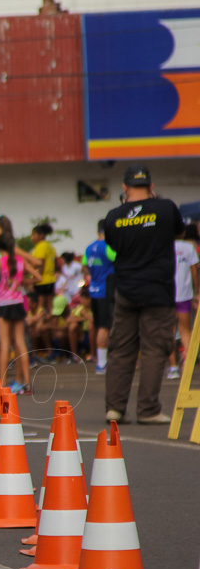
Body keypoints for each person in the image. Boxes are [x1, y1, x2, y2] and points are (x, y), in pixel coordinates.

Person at [103, 164, 184, 424]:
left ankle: (114, 409)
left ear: (124, 188)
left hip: (125, 290)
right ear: (151, 186)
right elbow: (179, 232)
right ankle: (148, 410)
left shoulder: (114, 216)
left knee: (120, 350)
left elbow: (113, 245)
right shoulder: (166, 208)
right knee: (154, 349)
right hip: (157, 290)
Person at [0, 216, 40, 393]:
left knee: (4, 345)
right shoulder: (20, 262)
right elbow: (38, 277)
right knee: (20, 343)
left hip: (3, 305)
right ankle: (26, 384)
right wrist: (22, 283)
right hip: (19, 303)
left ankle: (2, 384)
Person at [82, 221, 116, 374]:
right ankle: (102, 363)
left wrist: (92, 276)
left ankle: (101, 360)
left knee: (98, 326)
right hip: (106, 292)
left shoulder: (89, 248)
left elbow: (84, 266)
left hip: (94, 290)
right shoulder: (108, 248)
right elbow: (120, 260)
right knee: (105, 327)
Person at [169, 230, 200, 379]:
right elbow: (195, 272)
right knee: (185, 330)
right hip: (184, 295)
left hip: (167, 296)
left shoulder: (164, 247)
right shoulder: (189, 247)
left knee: (169, 331)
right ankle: (187, 366)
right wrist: (197, 292)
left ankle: (173, 368)